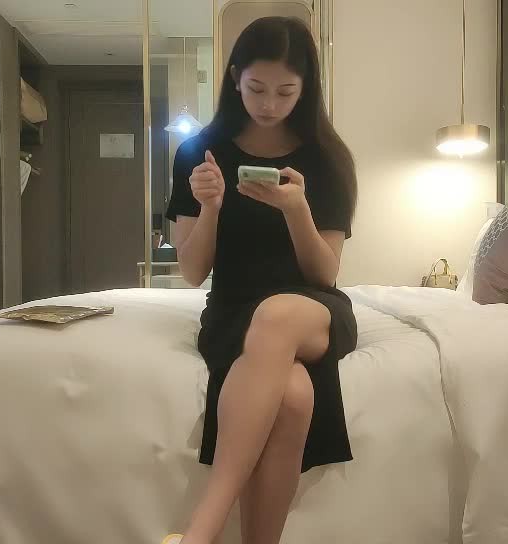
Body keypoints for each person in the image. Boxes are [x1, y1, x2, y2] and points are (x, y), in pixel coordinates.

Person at [163, 16, 358, 544]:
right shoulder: (198, 153)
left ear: (306, 88)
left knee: (276, 314)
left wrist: (297, 210)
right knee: (292, 395)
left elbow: (325, 273)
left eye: (285, 92)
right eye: (256, 88)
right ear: (234, 78)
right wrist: (210, 207)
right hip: (233, 310)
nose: (269, 104)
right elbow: (192, 272)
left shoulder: (326, 159)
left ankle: (201, 530)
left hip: (311, 309)